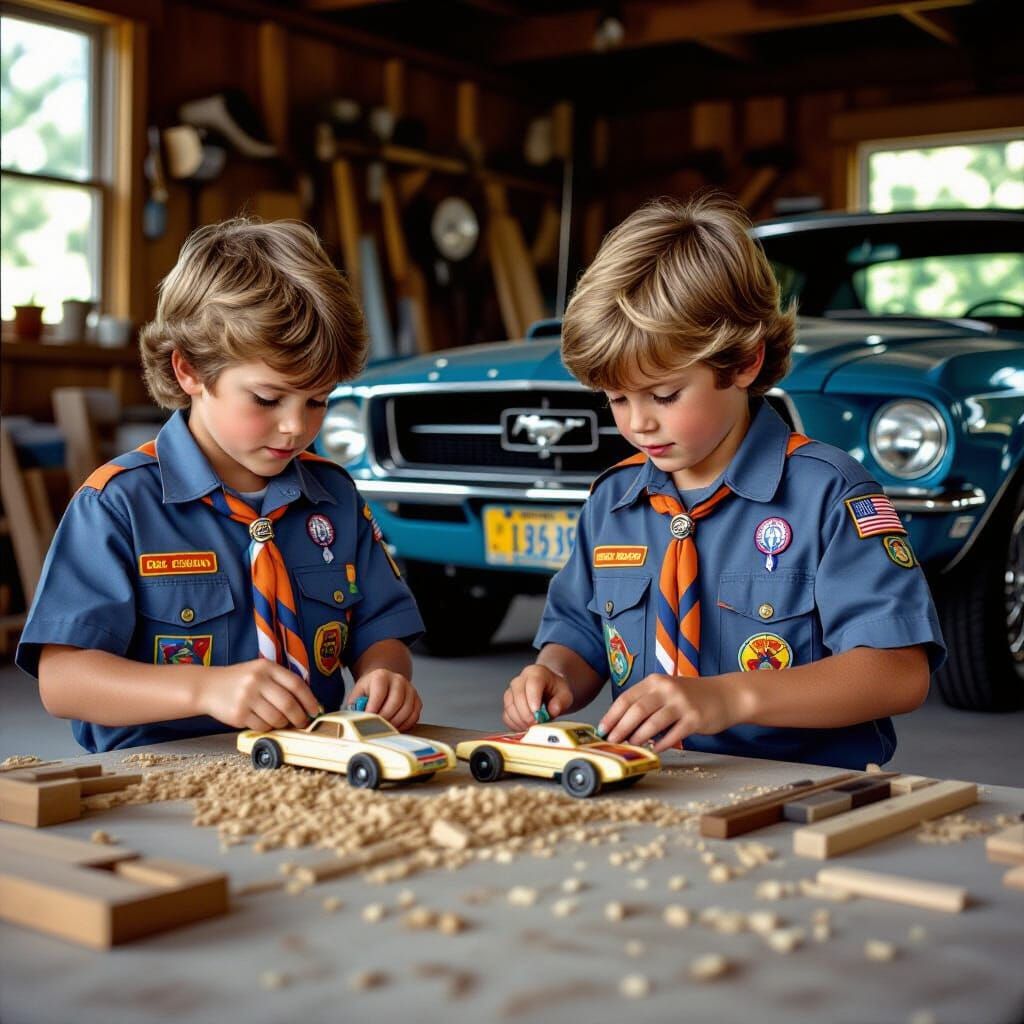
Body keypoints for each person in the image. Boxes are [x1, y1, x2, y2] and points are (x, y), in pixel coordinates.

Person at [503, 193, 942, 769]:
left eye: (664, 395)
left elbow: (899, 673)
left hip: (808, 793)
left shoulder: (830, 494)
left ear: (744, 363)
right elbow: (580, 635)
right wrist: (552, 674)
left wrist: (729, 698)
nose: (638, 423)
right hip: (654, 786)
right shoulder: (614, 500)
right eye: (616, 399)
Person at [17, 219, 425, 752]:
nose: (295, 427)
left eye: (317, 401)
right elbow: (62, 681)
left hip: (306, 766)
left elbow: (381, 630)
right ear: (189, 371)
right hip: (156, 775)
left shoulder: (335, 498)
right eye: (267, 399)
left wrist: (385, 674)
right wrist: (205, 689)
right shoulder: (117, 504)